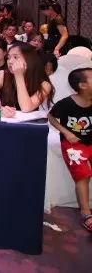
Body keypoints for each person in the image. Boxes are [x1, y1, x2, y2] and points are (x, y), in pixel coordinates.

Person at [47, 68, 92, 232]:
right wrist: (66, 132)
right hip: (73, 145)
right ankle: (86, 213)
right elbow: (51, 117)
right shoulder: (66, 103)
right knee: (83, 175)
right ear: (82, 86)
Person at [0, 43, 54, 117]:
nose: (10, 61)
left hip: (29, 122)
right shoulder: (0, 75)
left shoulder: (44, 84)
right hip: (4, 120)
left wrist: (19, 76)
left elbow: (26, 107)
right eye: (8, 58)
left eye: (15, 57)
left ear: (29, 60)